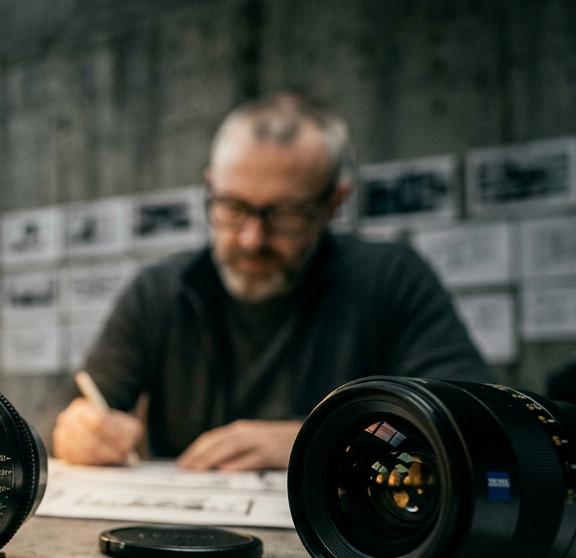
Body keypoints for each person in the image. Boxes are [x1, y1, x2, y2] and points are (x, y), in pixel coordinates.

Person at [52, 92, 491, 471]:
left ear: (332, 203)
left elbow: (471, 419)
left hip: (351, 542)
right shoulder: (159, 292)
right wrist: (77, 431)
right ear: (211, 187)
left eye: (283, 215)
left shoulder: (391, 280)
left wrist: (321, 439)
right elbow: (81, 411)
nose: (251, 238)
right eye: (232, 207)